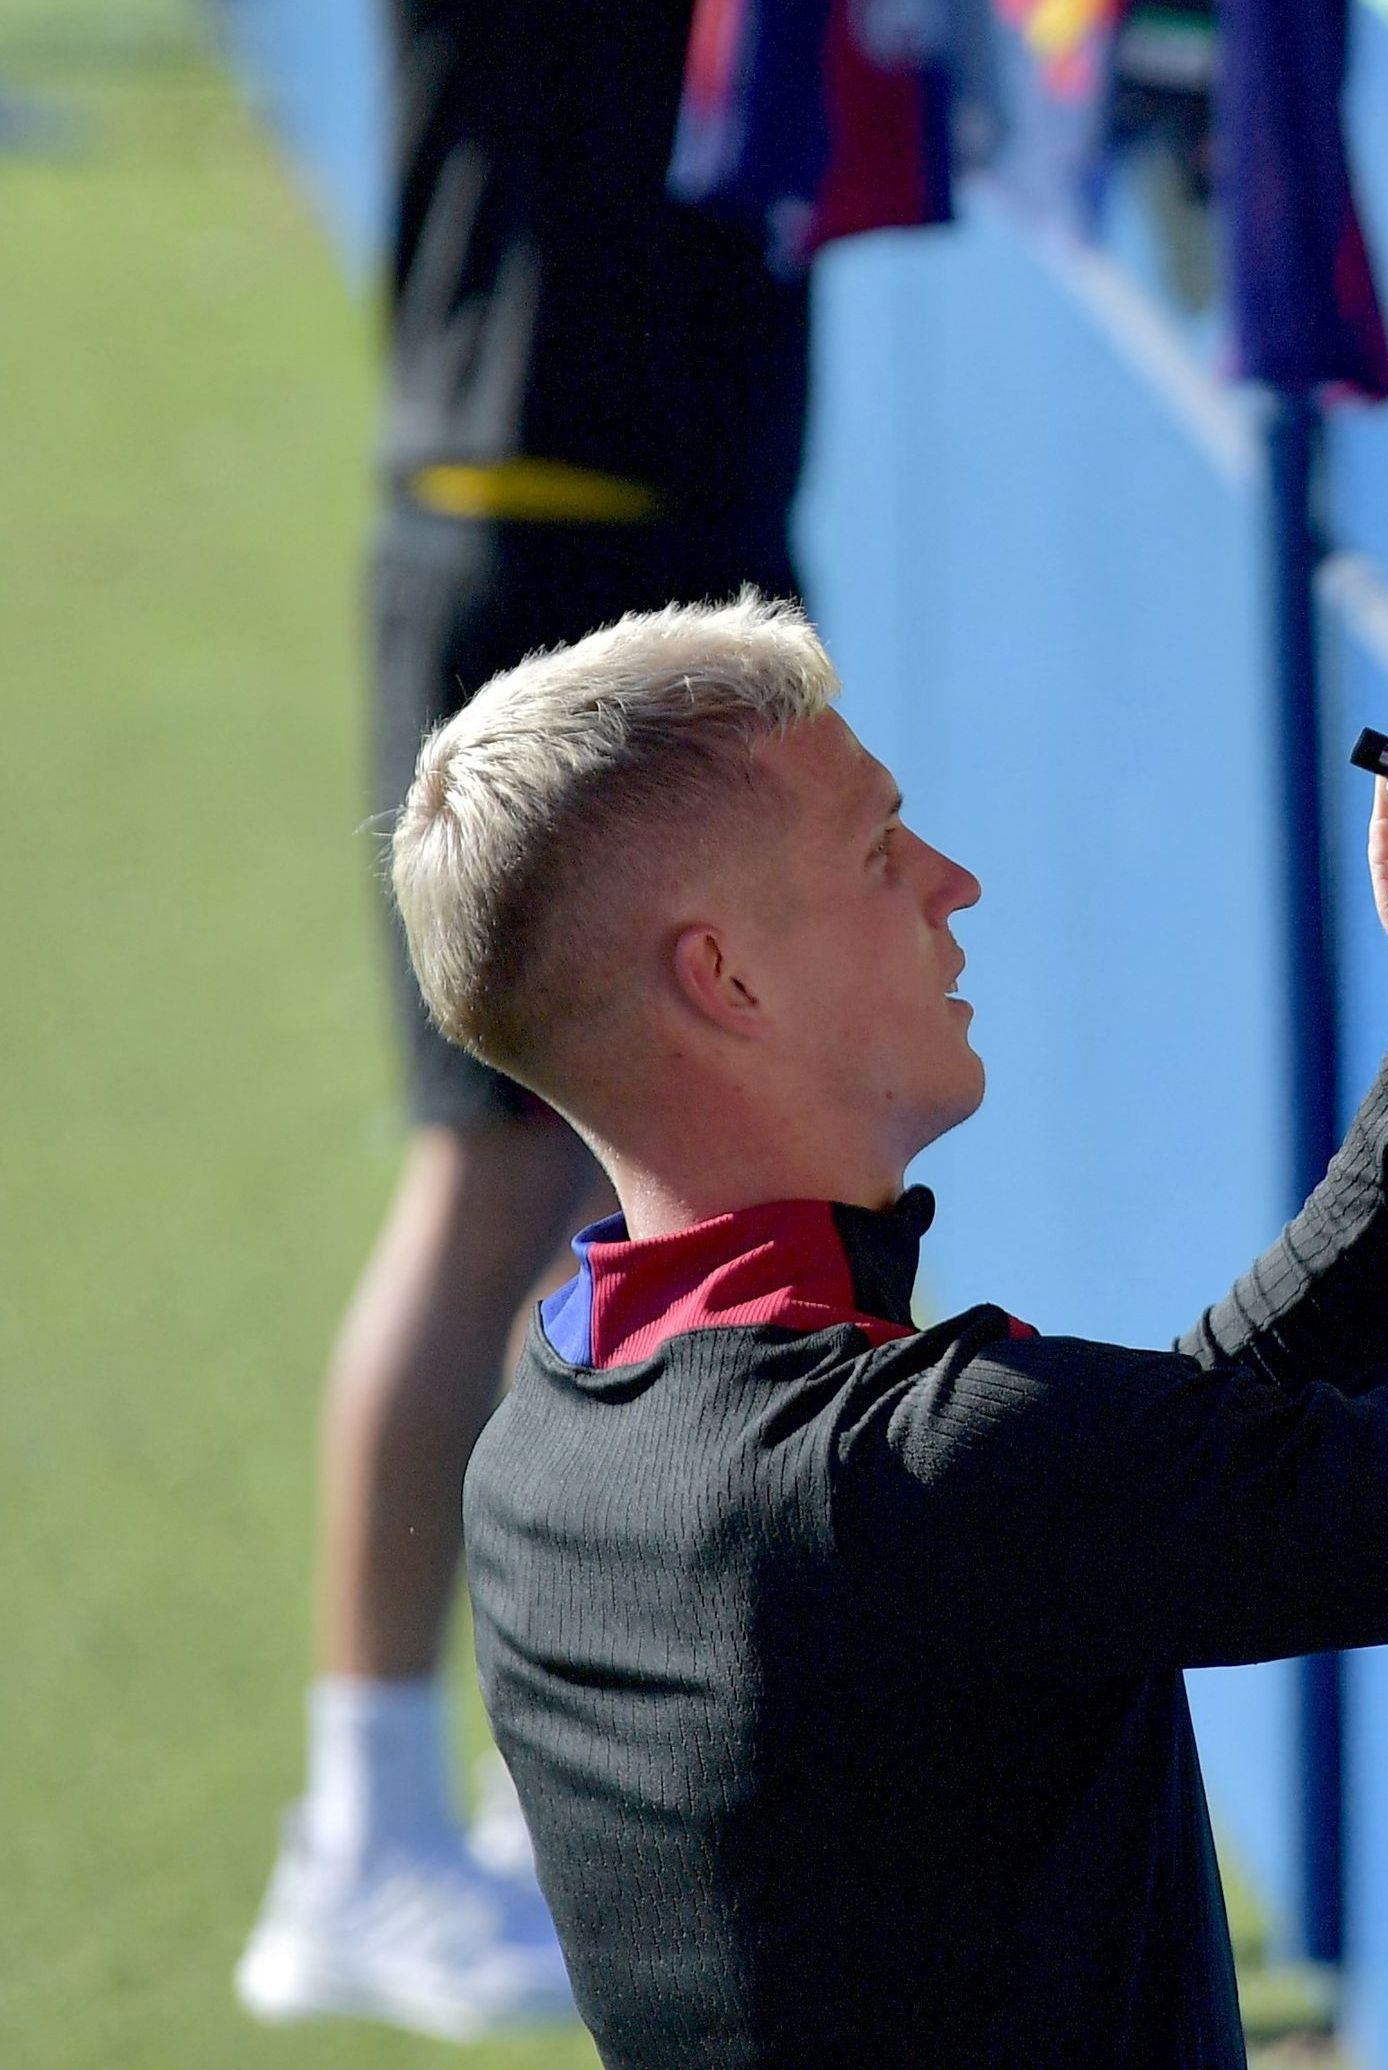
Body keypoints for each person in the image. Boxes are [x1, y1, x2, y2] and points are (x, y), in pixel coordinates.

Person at [402, 596, 1388, 2065]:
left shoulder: (548, 1452)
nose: (955, 883)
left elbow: (1130, 1489)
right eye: (880, 851)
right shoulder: (903, 1478)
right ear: (728, 980)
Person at [237, 0, 816, 2036]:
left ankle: (531, 1806)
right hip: (533, 518)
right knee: (487, 1181)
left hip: (684, 514)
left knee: (629, 1200)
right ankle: (359, 1832)